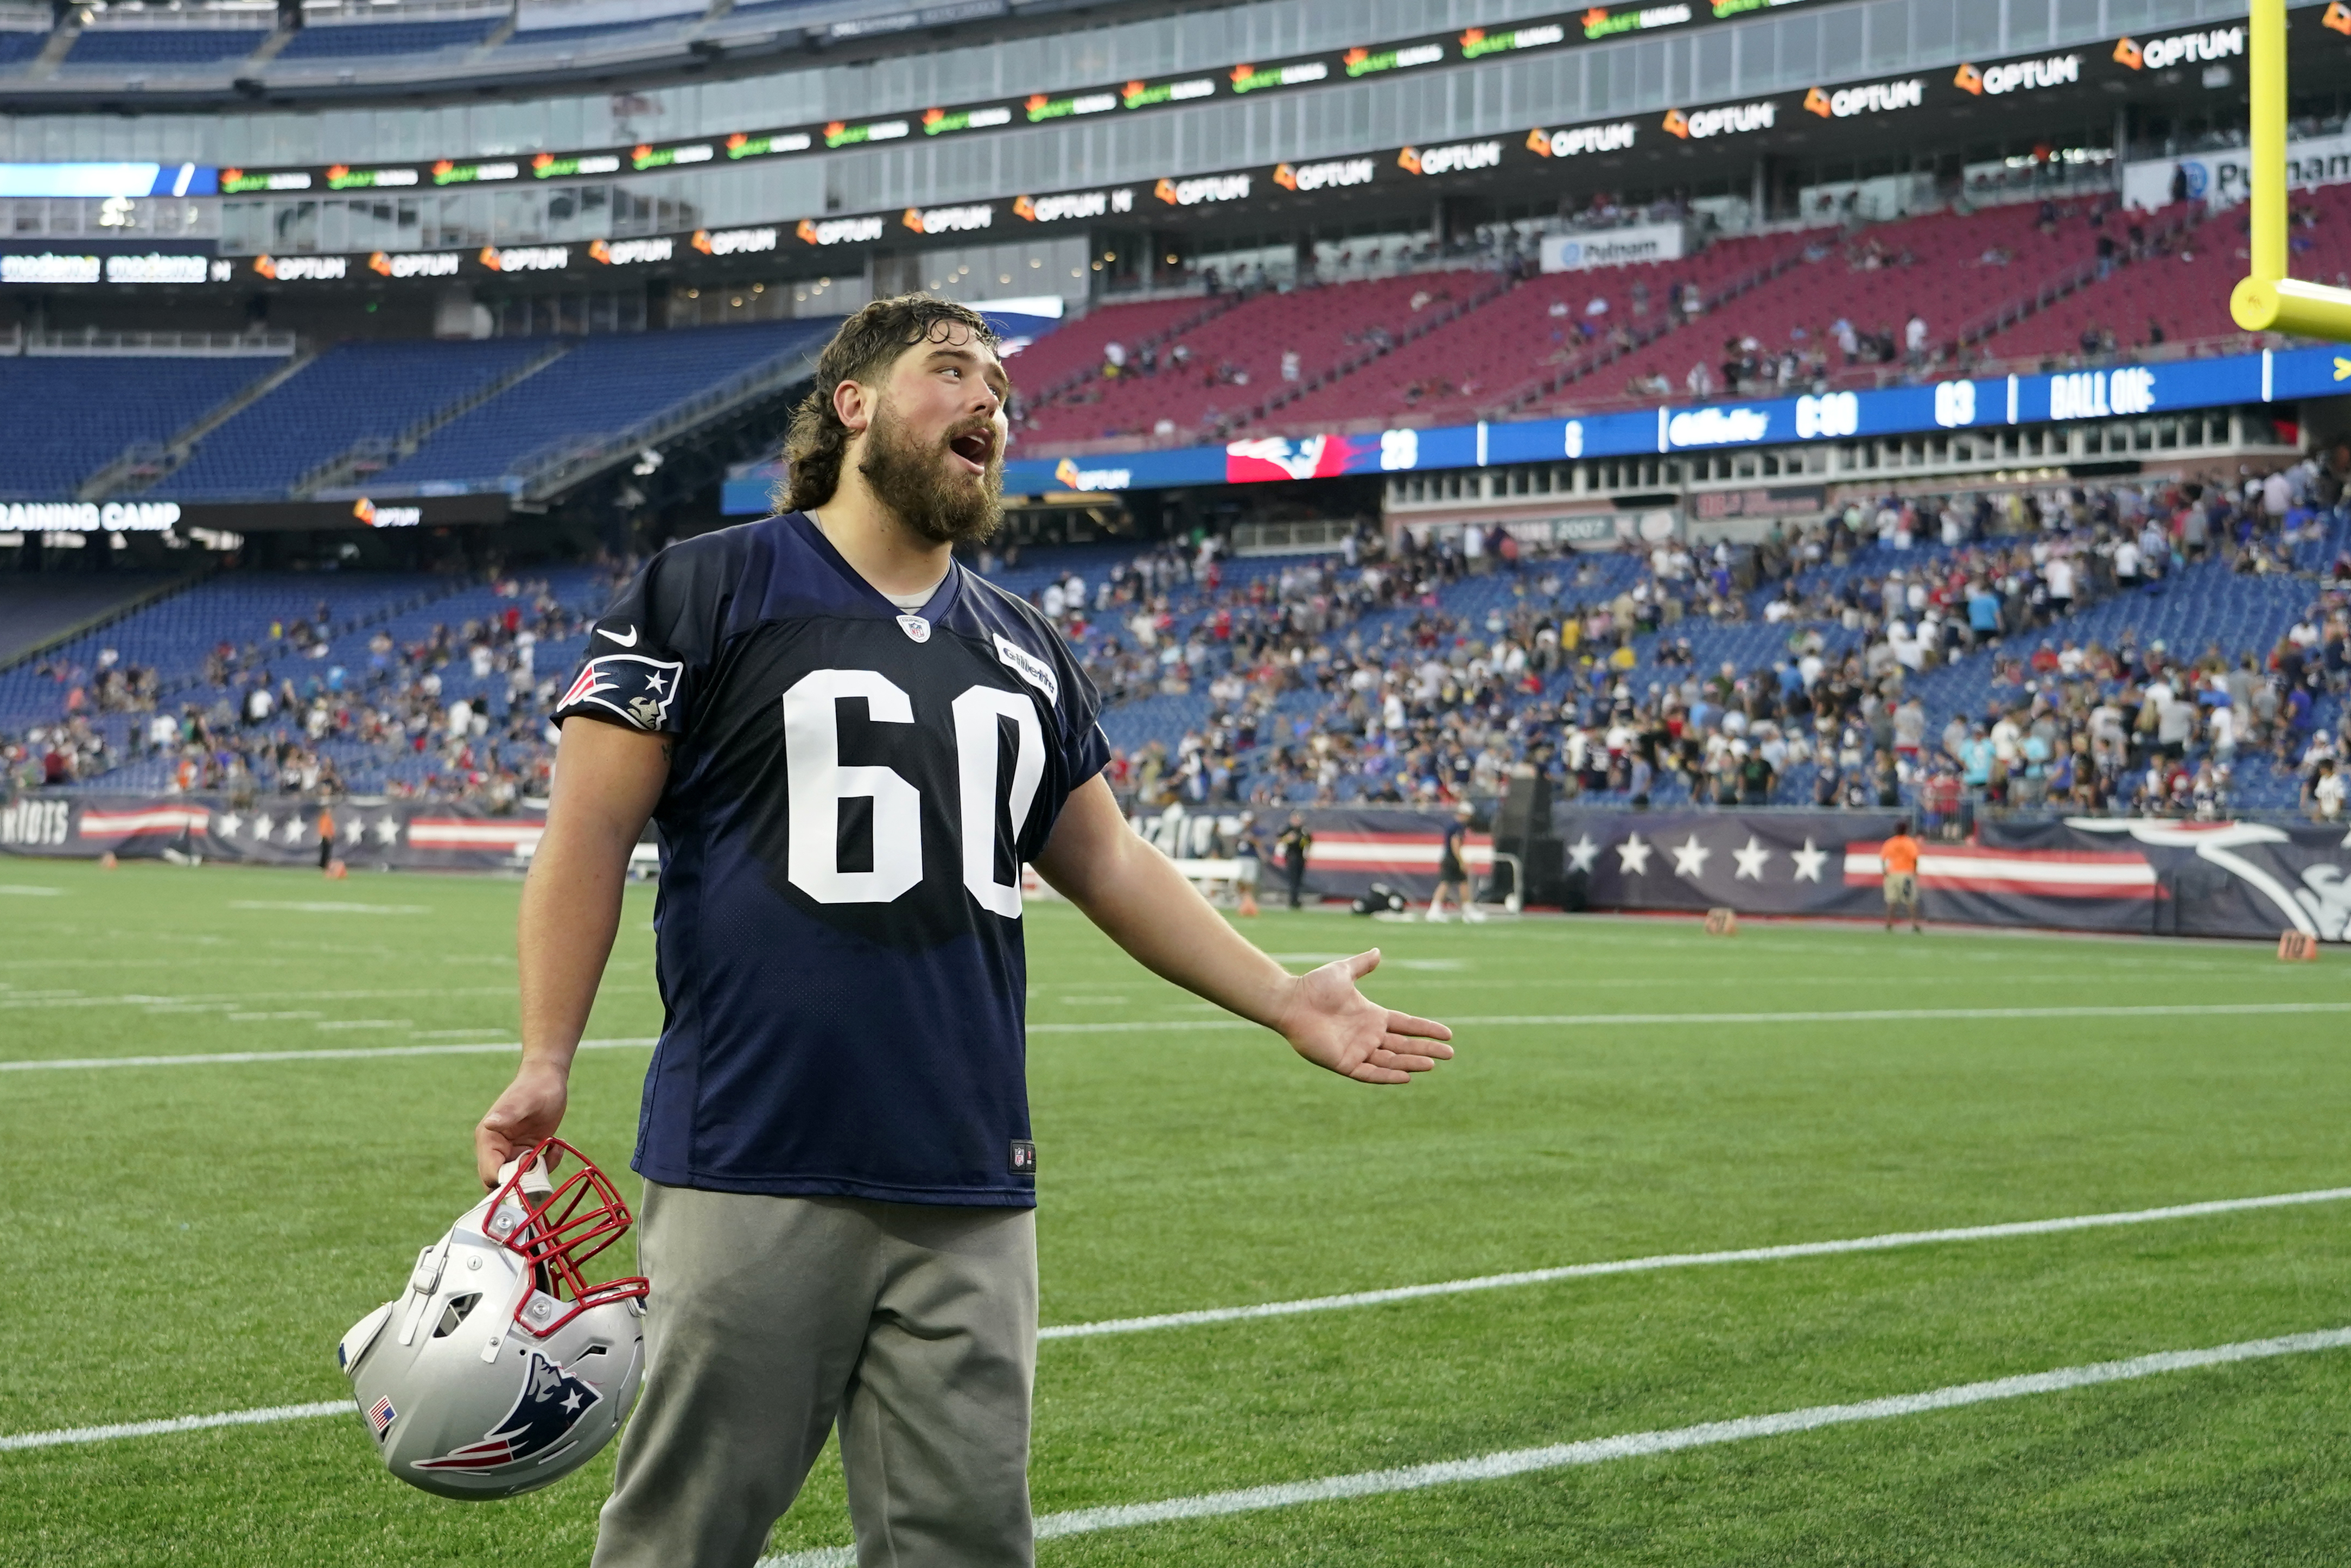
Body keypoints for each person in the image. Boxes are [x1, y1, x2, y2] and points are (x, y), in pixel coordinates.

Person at [472, 297, 1456, 1568]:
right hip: (753, 1153)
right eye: (950, 371)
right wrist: (545, 1057)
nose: (987, 399)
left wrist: (1281, 996)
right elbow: (588, 834)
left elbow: (1102, 854)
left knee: (968, 1540)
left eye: (999, 383)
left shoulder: (1026, 645)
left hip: (967, 1172)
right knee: (684, 1534)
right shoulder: (704, 585)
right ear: (854, 403)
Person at [1427, 802, 1475, 921]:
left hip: (1450, 857)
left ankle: (1467, 908)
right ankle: (1435, 909)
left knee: (1462, 883)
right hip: (1452, 858)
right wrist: (1461, 861)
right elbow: (1455, 843)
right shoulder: (1458, 827)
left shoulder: (1453, 826)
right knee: (1446, 883)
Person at [1880, 817, 1923, 932]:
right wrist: (1915, 871)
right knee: (1910, 900)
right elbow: (1915, 858)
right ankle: (1914, 924)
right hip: (1906, 873)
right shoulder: (1910, 843)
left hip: (1892, 873)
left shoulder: (1890, 842)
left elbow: (1883, 858)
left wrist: (1884, 870)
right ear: (1906, 830)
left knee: (1891, 900)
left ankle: (1889, 924)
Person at [1276, 810, 1314, 909]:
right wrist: (1288, 839)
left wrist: (1307, 853)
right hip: (1291, 856)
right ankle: (1292, 899)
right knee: (1293, 879)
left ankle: (1296, 899)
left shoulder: (1304, 831)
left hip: (1300, 856)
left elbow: (1309, 843)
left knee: (1298, 880)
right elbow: (1279, 840)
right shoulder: (1288, 829)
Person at [1231, 813, 1261, 917]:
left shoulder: (1255, 832)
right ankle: (1242, 900)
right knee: (1240, 880)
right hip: (1241, 857)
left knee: (1250, 881)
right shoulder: (1240, 832)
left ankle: (1249, 901)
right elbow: (1235, 843)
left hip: (1251, 858)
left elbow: (1259, 844)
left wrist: (1252, 839)